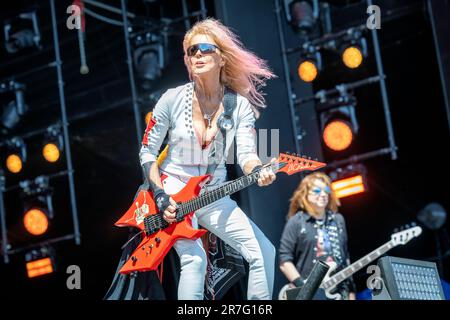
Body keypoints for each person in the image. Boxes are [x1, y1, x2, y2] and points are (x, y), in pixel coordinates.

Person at [139, 18, 277, 300]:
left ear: (222, 57)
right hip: (173, 192)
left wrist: (260, 170)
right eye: (191, 51)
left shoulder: (238, 106)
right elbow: (147, 152)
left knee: (264, 251)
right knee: (195, 260)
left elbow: (247, 155)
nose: (197, 55)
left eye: (204, 48)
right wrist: (162, 196)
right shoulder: (170, 99)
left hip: (213, 194)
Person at [278, 172, 356, 300]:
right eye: (317, 190)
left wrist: (351, 292)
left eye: (326, 190)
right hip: (310, 292)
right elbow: (284, 261)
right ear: (305, 194)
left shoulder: (338, 220)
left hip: (340, 291)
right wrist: (304, 288)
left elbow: (345, 257)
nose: (323, 194)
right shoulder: (296, 222)